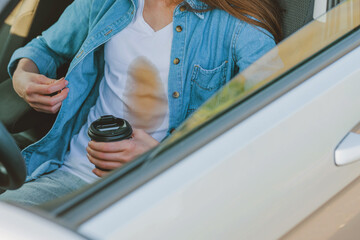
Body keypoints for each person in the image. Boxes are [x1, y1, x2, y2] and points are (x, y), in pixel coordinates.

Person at [0, 0, 283, 205]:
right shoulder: (105, 4)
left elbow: (278, 116)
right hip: (70, 177)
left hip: (164, 195)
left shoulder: (240, 24)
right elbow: (44, 47)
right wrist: (24, 77)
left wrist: (164, 156)